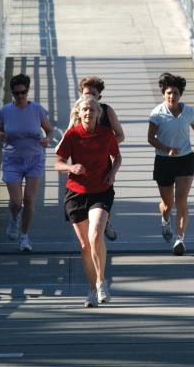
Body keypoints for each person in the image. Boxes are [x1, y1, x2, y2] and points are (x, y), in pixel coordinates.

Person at [55, 95, 121, 307]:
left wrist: (112, 172)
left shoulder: (105, 134)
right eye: (84, 110)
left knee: (95, 236)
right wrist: (71, 168)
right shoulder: (72, 135)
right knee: (85, 245)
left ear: (97, 114)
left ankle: (102, 281)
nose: (88, 113)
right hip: (76, 193)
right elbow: (58, 163)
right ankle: (92, 290)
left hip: (101, 190)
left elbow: (116, 156)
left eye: (92, 110)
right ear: (78, 113)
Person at [147, 72, 194, 256]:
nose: (172, 96)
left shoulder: (189, 111)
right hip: (164, 160)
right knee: (168, 203)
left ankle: (180, 239)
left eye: (176, 93)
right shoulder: (157, 113)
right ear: (164, 94)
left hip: (185, 159)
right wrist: (166, 149)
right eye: (169, 93)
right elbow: (150, 138)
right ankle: (165, 219)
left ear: (181, 95)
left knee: (181, 200)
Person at [0, 73, 54, 252]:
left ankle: (25, 237)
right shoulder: (5, 111)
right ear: (12, 93)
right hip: (12, 159)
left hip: (34, 159)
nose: (20, 96)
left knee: (29, 199)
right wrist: (1, 135)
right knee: (16, 200)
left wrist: (47, 140)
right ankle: (13, 220)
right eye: (16, 93)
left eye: (23, 92)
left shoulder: (37, 110)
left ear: (28, 91)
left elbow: (50, 131)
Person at [75, 76, 125, 241]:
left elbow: (120, 135)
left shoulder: (107, 111)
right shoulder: (77, 111)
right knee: (84, 196)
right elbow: (69, 133)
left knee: (103, 192)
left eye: (93, 94)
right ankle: (93, 228)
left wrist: (104, 145)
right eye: (86, 94)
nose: (89, 98)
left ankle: (105, 221)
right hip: (82, 161)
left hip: (103, 161)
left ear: (99, 97)